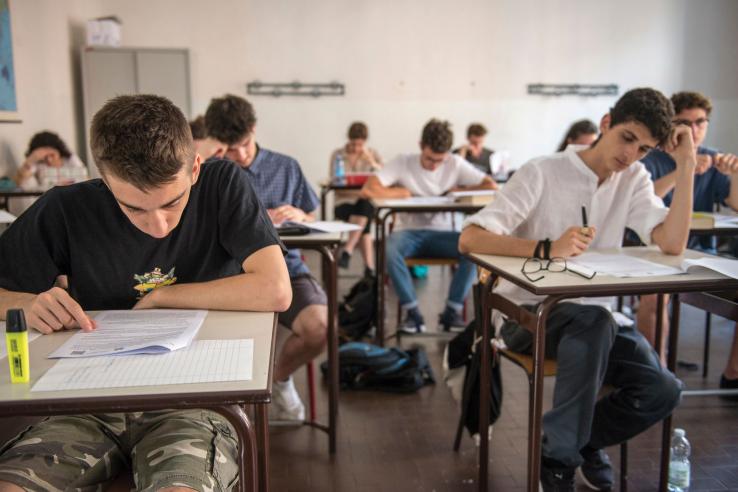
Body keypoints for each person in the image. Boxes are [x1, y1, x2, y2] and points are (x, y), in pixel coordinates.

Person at [0, 95, 291, 491]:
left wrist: (163, 296)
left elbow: (275, 289)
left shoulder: (223, 184)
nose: (158, 225)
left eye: (172, 203)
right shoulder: (66, 208)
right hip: (84, 401)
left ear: (194, 169)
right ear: (104, 181)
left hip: (193, 399)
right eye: (133, 208)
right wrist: (26, 303)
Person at [459, 88, 691, 491]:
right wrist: (545, 248)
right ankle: (558, 460)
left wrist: (686, 166)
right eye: (627, 138)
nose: (630, 154)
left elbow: (672, 243)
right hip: (529, 315)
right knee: (595, 320)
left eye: (644, 149)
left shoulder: (634, 178)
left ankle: (578, 442)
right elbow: (470, 239)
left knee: (663, 389)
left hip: (596, 322)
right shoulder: (542, 171)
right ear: (606, 124)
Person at [205, 94, 327, 422]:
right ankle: (224, 406)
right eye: (230, 149)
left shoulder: (285, 166)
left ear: (254, 130)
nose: (241, 155)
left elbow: (316, 217)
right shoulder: (205, 172)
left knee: (320, 327)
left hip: (287, 270)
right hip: (225, 275)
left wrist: (300, 215)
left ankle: (279, 379)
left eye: (244, 144)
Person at [637, 91, 738, 392]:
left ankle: (733, 373)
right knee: (655, 297)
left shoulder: (713, 155)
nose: (693, 131)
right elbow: (643, 199)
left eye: (700, 123)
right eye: (685, 122)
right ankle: (658, 375)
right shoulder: (651, 157)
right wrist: (685, 167)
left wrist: (734, 174)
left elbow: (735, 203)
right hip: (653, 252)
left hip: (701, 252)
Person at [361, 119, 496, 333]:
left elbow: (490, 184)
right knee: (388, 248)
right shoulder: (403, 162)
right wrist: (401, 193)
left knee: (476, 249)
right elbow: (369, 189)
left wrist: (457, 191)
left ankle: (452, 312)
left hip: (443, 235)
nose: (434, 165)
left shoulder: (454, 162)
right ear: (420, 146)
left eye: (439, 161)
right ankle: (412, 313)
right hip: (407, 234)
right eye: (429, 159)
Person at [329, 121, 383, 275]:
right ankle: (369, 269)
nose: (356, 148)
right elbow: (334, 182)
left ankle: (348, 249)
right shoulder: (338, 155)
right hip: (344, 202)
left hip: (365, 201)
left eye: (360, 145)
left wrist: (371, 162)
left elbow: (385, 176)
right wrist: (356, 192)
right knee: (364, 217)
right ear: (348, 139)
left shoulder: (372, 154)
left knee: (365, 206)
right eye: (353, 144)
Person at [10, 131, 88, 216]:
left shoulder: (70, 159)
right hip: (48, 204)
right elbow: (18, 182)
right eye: (45, 157)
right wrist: (32, 159)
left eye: (52, 155)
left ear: (59, 151)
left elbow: (86, 179)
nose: (49, 160)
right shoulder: (38, 163)